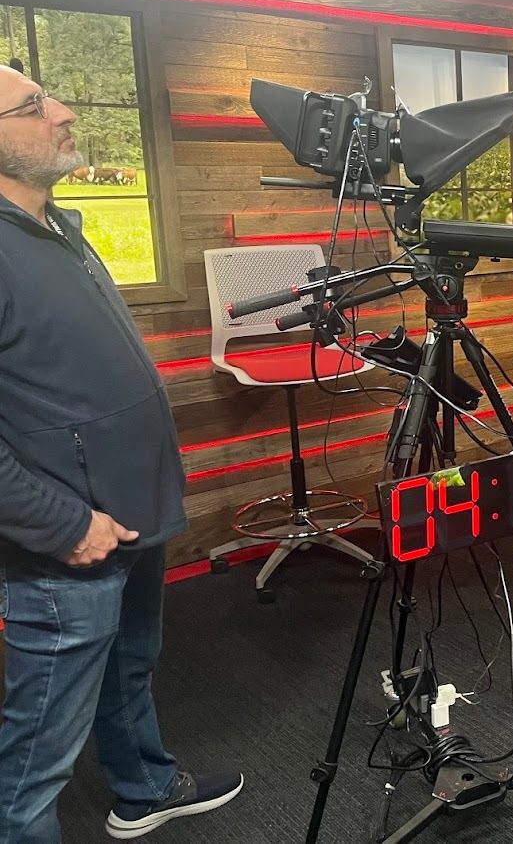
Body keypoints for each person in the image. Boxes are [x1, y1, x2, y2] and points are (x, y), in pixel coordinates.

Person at [0, 64, 243, 840]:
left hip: (129, 510)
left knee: (129, 664)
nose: (63, 111)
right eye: (33, 106)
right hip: (63, 541)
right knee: (36, 753)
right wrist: (63, 524)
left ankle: (142, 787)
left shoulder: (55, 225)